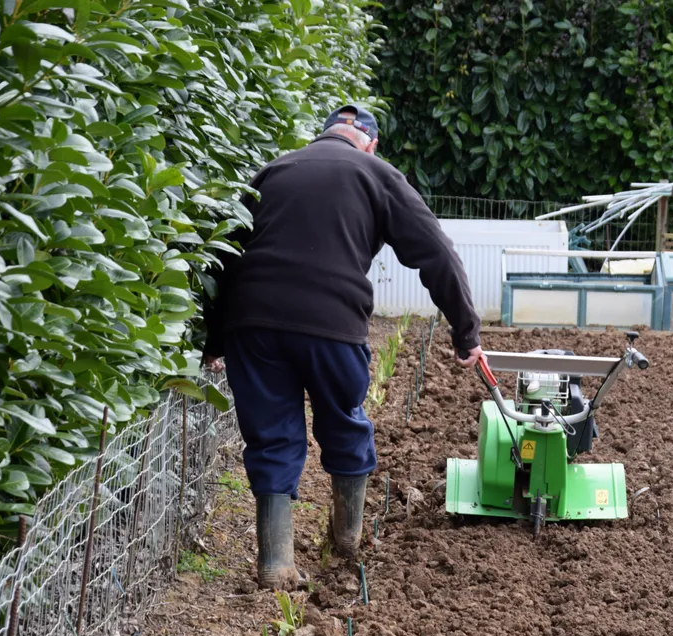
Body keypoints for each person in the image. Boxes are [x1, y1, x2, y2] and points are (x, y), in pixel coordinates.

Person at [201, 103, 484, 590]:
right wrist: (466, 333)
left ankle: (274, 564)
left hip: (254, 323)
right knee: (344, 422)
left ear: (322, 135)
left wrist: (214, 337)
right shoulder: (377, 173)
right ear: (370, 144)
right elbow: (435, 251)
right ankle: (348, 540)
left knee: (270, 437)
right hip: (332, 324)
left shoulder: (271, 170)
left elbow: (222, 251)